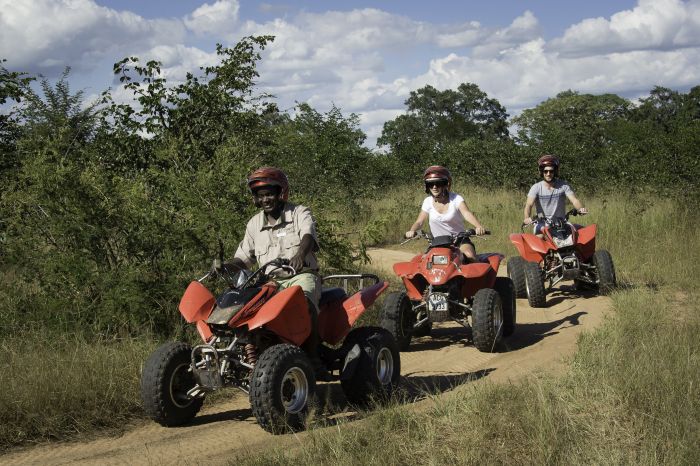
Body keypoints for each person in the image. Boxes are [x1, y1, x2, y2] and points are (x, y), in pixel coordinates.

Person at [217, 166, 329, 379]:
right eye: (261, 196)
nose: (266, 199)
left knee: (303, 301)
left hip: (301, 275)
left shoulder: (298, 213)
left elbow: (308, 236)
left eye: (270, 194)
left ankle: (313, 357)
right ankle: (252, 357)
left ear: (281, 193)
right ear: (256, 199)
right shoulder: (253, 224)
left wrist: (300, 254)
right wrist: (224, 266)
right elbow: (243, 259)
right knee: (243, 307)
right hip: (269, 282)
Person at [405, 165, 487, 262]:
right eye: (431, 184)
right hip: (438, 242)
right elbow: (419, 221)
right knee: (423, 262)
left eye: (438, 183)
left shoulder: (456, 199)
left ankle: (476, 277)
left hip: (459, 241)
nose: (434, 187)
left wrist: (478, 226)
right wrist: (412, 230)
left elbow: (466, 213)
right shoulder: (427, 202)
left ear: (446, 184)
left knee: (470, 256)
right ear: (427, 186)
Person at [523, 155, 587, 234]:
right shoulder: (536, 187)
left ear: (555, 171)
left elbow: (574, 200)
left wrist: (580, 209)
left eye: (551, 171)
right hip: (542, 224)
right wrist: (527, 218)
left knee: (579, 235)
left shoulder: (563, 185)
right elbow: (529, 205)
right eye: (545, 171)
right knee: (540, 238)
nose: (548, 174)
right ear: (542, 172)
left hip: (561, 223)